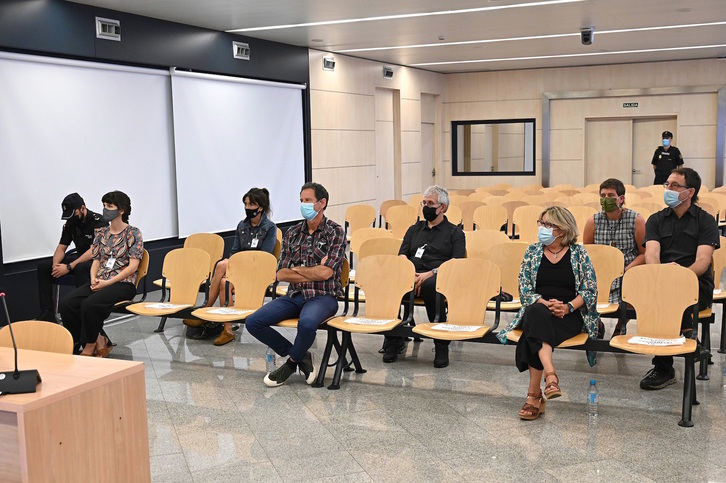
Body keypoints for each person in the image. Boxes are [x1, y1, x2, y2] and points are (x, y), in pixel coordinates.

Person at [497, 206, 599, 420]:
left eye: (547, 224)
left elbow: (590, 290)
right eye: (540, 223)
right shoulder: (533, 252)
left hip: (569, 315)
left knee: (532, 332)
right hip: (539, 309)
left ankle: (534, 396)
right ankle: (550, 376)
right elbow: (524, 289)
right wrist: (545, 303)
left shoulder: (579, 253)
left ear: (562, 230)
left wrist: (567, 307)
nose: (542, 228)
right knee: (535, 312)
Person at [245, 182, 345, 387]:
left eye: (308, 200)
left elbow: (327, 273)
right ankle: (300, 356)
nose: (303, 204)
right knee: (253, 322)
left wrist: (298, 268)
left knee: (307, 324)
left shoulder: (334, 232)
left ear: (322, 203)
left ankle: (290, 364)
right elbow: (281, 273)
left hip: (324, 296)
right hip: (295, 295)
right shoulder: (293, 233)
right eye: (301, 201)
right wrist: (312, 271)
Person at [640, 167, 719, 390]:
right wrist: (663, 276)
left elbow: (703, 261)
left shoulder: (705, 221)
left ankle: (665, 365)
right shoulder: (656, 220)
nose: (668, 189)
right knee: (661, 296)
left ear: (690, 191)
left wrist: (679, 278)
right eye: (667, 185)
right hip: (662, 281)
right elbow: (652, 255)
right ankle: (688, 341)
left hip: (695, 283)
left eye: (675, 185)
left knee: (671, 299)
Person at [382, 185, 465, 368]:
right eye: (424, 203)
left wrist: (430, 274)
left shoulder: (455, 233)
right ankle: (394, 338)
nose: (426, 207)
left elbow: (457, 263)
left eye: (430, 203)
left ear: (442, 207)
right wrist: (409, 273)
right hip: (411, 274)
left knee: (431, 285)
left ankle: (440, 343)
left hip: (439, 275)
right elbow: (402, 254)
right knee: (391, 282)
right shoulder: (414, 229)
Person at [185, 188, 277, 345]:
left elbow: (265, 257)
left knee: (222, 265)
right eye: (245, 204)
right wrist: (235, 265)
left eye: (251, 204)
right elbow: (234, 251)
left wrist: (238, 262)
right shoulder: (242, 225)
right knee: (223, 282)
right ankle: (227, 330)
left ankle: (206, 307)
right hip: (240, 270)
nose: (247, 207)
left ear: (260, 207)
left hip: (257, 272)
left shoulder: (269, 228)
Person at [59, 191, 143, 357]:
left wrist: (107, 283)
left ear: (121, 210)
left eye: (110, 206)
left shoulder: (133, 233)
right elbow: (95, 261)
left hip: (123, 284)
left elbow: (133, 267)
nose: (105, 209)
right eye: (104, 206)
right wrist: (93, 279)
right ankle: (94, 339)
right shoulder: (101, 233)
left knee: (89, 304)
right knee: (67, 303)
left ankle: (90, 346)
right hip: (101, 281)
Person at [582, 178, 646, 338]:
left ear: (621, 198)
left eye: (611, 195)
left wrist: (626, 270)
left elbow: (644, 253)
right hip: (600, 273)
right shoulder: (593, 221)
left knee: (634, 287)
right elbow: (587, 252)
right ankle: (597, 324)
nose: (606, 199)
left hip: (628, 270)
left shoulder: (636, 220)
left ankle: (621, 325)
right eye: (603, 195)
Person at [36, 193, 107, 322]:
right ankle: (47, 313)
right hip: (80, 259)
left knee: (80, 268)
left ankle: (83, 312)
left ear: (83, 208)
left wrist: (69, 267)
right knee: (43, 267)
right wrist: (56, 266)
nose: (71, 219)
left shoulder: (98, 222)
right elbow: (61, 247)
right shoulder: (71, 224)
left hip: (99, 262)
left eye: (73, 214)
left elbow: (94, 251)